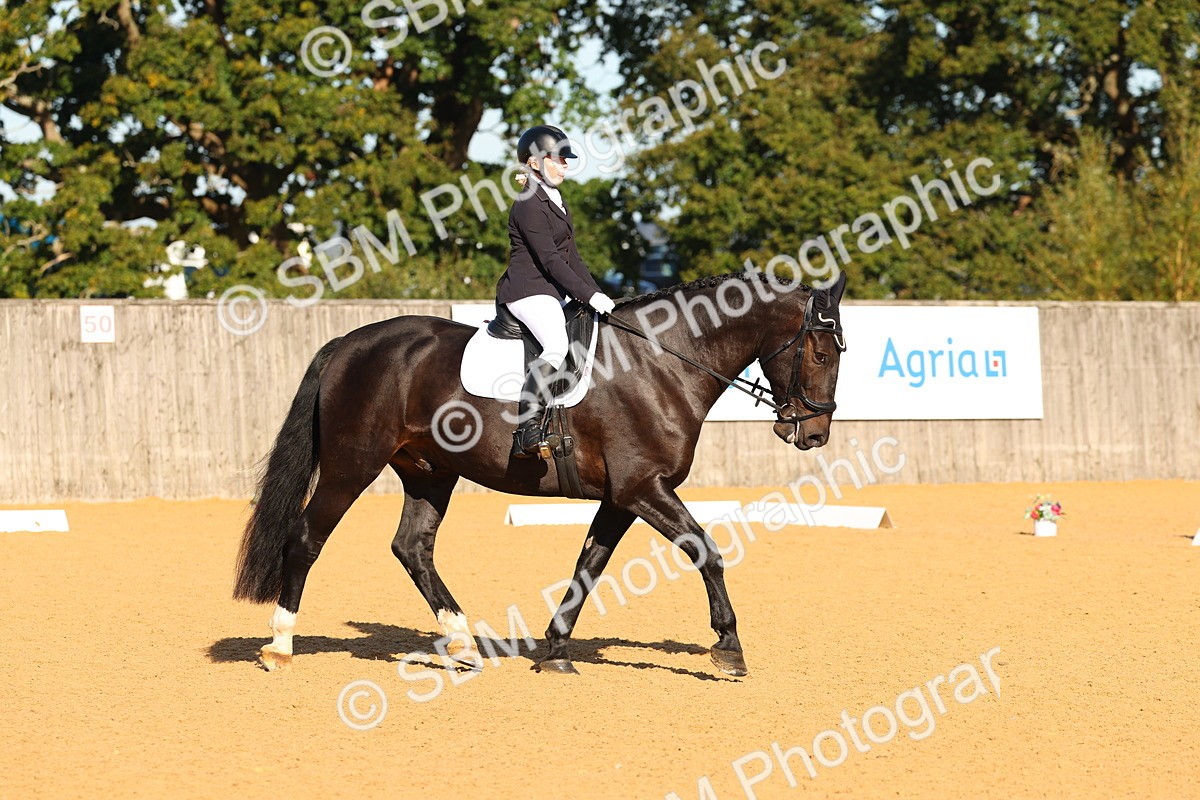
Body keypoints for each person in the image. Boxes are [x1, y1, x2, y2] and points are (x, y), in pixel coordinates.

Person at [496, 125, 616, 458]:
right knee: (557, 343)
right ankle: (527, 429)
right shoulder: (528, 203)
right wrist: (586, 295)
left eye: (566, 160)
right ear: (534, 163)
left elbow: (571, 256)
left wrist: (596, 293)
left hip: (550, 291)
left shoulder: (557, 200)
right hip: (527, 291)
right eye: (559, 159)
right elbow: (549, 259)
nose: (565, 165)